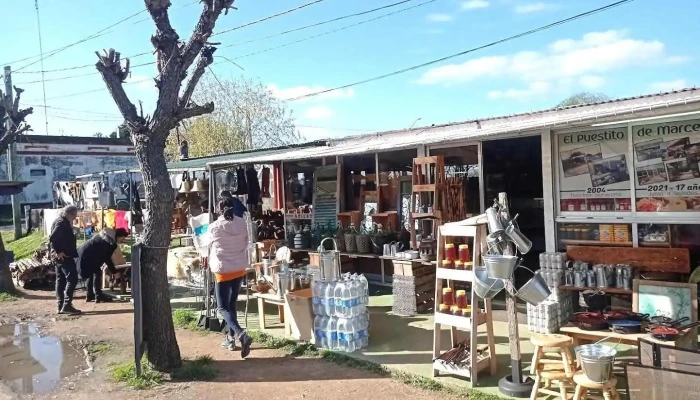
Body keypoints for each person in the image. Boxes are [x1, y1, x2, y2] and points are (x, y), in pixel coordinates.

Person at [208, 197, 252, 358]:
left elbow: (207, 245)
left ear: (218, 210)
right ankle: (230, 338)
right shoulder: (242, 223)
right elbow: (247, 242)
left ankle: (240, 334)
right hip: (239, 268)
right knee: (231, 305)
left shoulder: (214, 227)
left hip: (222, 270)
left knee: (222, 307)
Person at [77, 227, 129, 303]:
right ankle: (98, 296)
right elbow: (107, 259)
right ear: (118, 236)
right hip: (89, 255)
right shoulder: (111, 243)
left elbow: (105, 257)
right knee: (97, 272)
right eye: (122, 239)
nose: (122, 241)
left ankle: (90, 295)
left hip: (84, 253)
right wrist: (115, 273)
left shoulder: (105, 236)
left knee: (91, 274)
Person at [49, 205, 80, 315]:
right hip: (63, 256)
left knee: (60, 280)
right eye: (74, 215)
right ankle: (66, 305)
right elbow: (53, 238)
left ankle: (60, 305)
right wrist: (58, 251)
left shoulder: (61, 221)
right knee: (72, 278)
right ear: (68, 213)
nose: (75, 217)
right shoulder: (61, 223)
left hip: (60, 256)